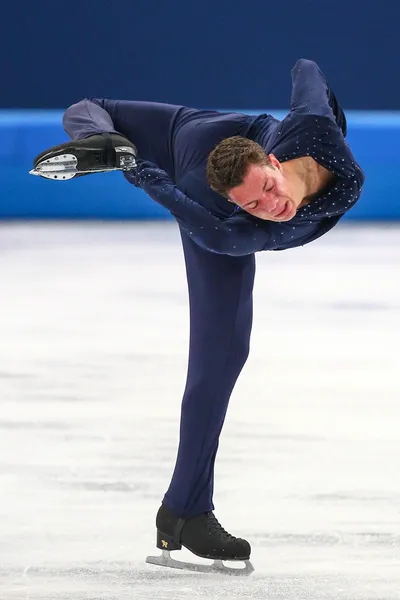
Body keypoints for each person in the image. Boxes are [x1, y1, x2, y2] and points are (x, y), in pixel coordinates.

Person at [31, 59, 365, 573]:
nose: (270, 206)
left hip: (216, 131)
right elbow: (220, 235)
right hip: (190, 177)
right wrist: (142, 174)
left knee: (92, 112)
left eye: (268, 190)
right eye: (254, 204)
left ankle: (108, 142)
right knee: (222, 357)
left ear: (276, 163)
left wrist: (321, 93)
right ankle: (184, 510)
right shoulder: (238, 220)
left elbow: (307, 72)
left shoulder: (314, 131)